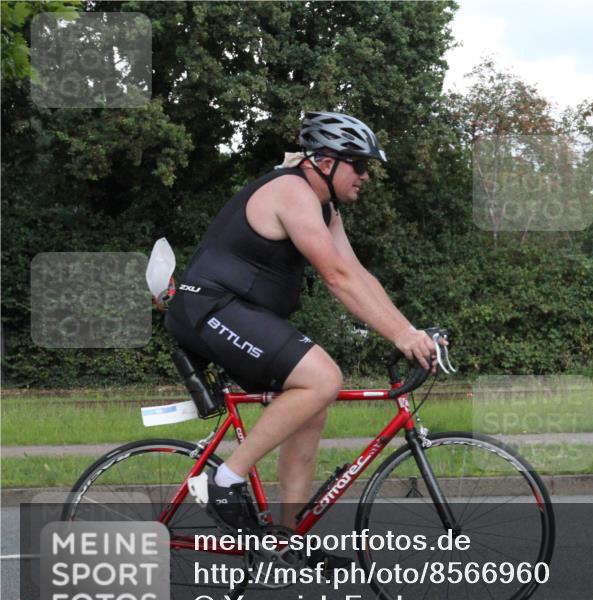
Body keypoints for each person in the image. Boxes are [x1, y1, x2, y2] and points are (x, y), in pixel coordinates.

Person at [165, 111, 438, 534]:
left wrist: (410, 331)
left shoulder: (325, 210)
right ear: (326, 162)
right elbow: (337, 278)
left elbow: (358, 274)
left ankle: (289, 536)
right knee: (322, 378)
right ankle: (223, 481)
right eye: (360, 165)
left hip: (237, 311)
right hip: (209, 308)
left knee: (310, 407)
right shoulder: (292, 192)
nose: (366, 176)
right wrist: (401, 335)